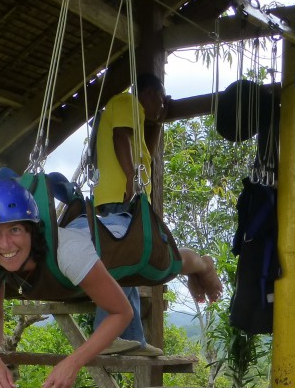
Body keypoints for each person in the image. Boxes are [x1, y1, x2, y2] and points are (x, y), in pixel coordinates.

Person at [0, 178, 133, 388]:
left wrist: (72, 363)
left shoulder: (69, 252)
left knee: (168, 260)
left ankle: (195, 263)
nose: (5, 245)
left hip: (110, 232)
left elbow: (121, 312)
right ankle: (70, 198)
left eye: (15, 229)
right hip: (75, 231)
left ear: (31, 231)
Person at [92, 72, 221, 355]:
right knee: (127, 262)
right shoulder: (127, 102)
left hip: (125, 199)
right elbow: (119, 136)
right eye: (160, 101)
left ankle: (133, 337)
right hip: (121, 196)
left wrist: (159, 121)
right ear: (149, 93)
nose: (161, 107)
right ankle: (105, 334)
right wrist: (129, 177)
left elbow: (146, 153)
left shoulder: (138, 117)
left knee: (135, 266)